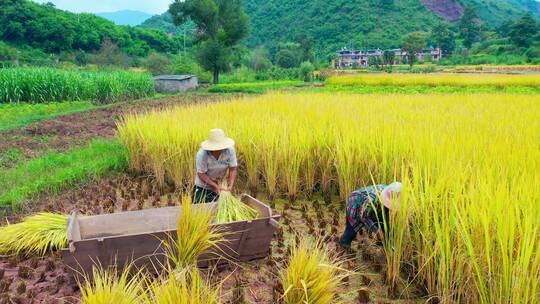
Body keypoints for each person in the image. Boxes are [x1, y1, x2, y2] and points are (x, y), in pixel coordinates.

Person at [339, 182, 402, 248]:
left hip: (375, 205)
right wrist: (377, 231)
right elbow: (364, 216)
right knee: (352, 231)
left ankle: (383, 244)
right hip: (356, 202)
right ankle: (344, 244)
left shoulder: (392, 190)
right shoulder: (372, 199)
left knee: (385, 225)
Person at [193, 128, 238, 203]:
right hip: (203, 186)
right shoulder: (202, 154)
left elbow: (233, 169)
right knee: (201, 209)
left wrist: (230, 185)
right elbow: (201, 174)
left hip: (220, 186)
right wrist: (215, 186)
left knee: (220, 209)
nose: (218, 149)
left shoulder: (229, 150)